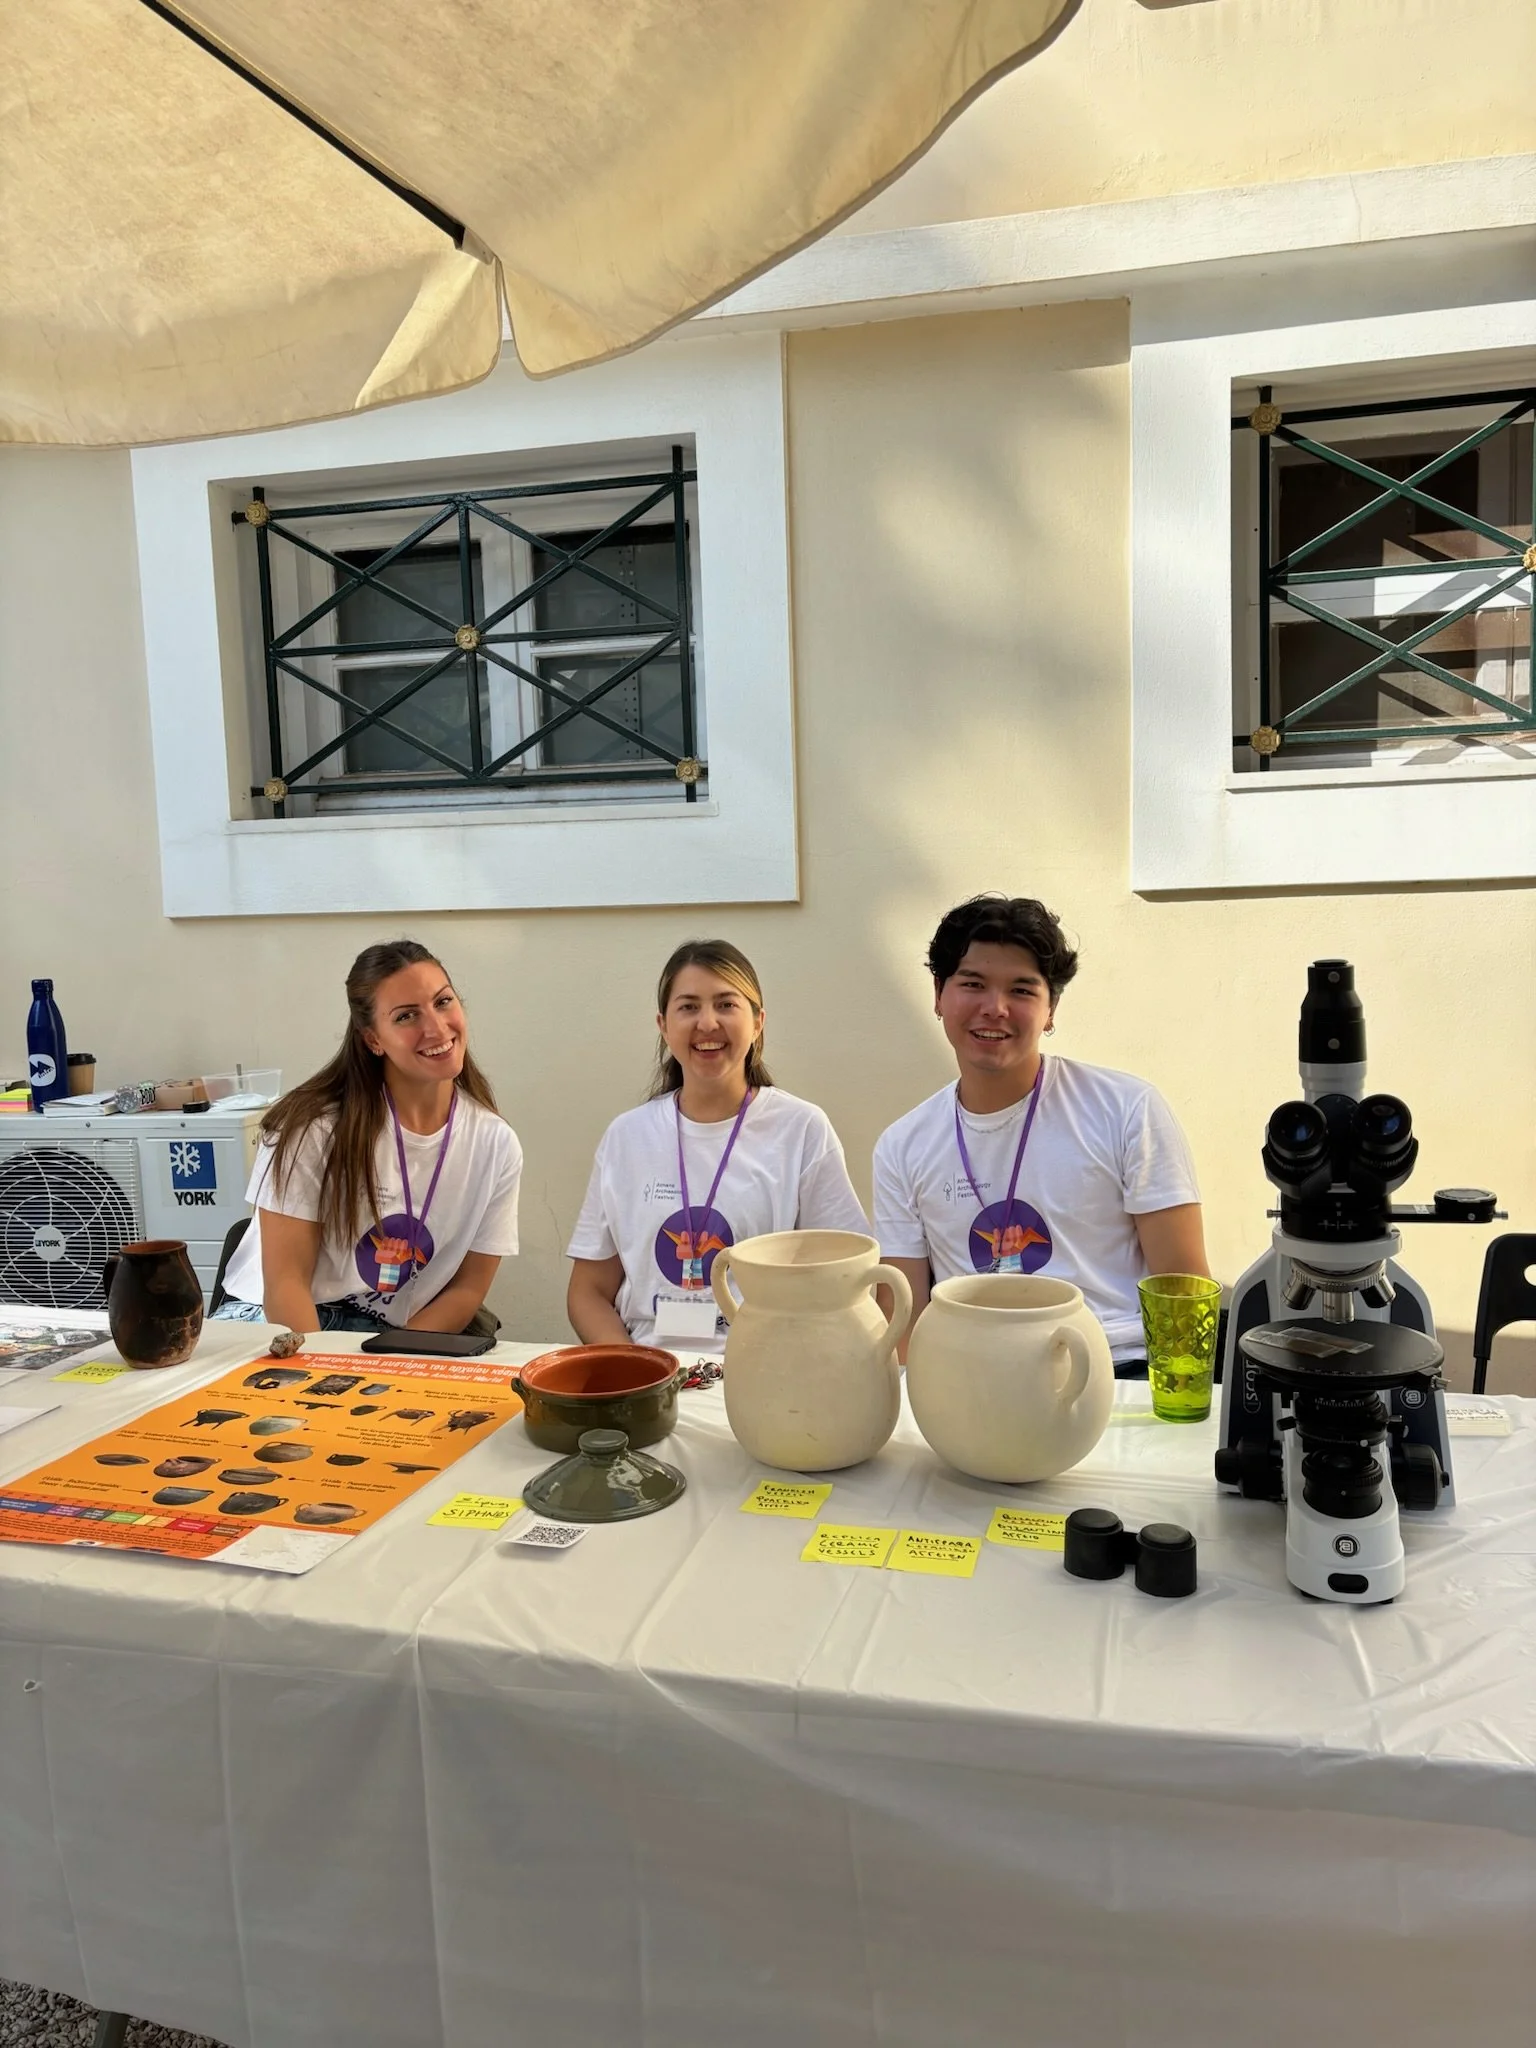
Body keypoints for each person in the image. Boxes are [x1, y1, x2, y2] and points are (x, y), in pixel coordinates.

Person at [873, 896, 1207, 1375]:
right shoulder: (903, 1145)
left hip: (1114, 1371)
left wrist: (1174, 1412)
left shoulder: (1126, 1108)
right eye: (973, 984)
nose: (996, 1008)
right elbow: (903, 1321)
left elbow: (1184, 1288)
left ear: (1051, 1009)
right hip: (973, 1380)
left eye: (1022, 990)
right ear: (938, 994)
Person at [567, 939, 870, 1350]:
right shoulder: (627, 1137)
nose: (707, 1023)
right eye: (689, 1006)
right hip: (648, 1370)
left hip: (764, 1369)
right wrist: (630, 1368)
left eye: (726, 1004)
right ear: (663, 1025)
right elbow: (588, 1292)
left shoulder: (800, 1129)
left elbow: (845, 1278)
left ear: (758, 1021)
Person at [214, 940, 521, 1334]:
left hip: (391, 1337)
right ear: (373, 1039)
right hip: (278, 1324)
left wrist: (394, 1365)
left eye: (443, 1002)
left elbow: (466, 1290)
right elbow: (285, 1286)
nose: (436, 1027)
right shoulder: (313, 1127)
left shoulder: (496, 1143)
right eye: (407, 1016)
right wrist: (328, 1380)